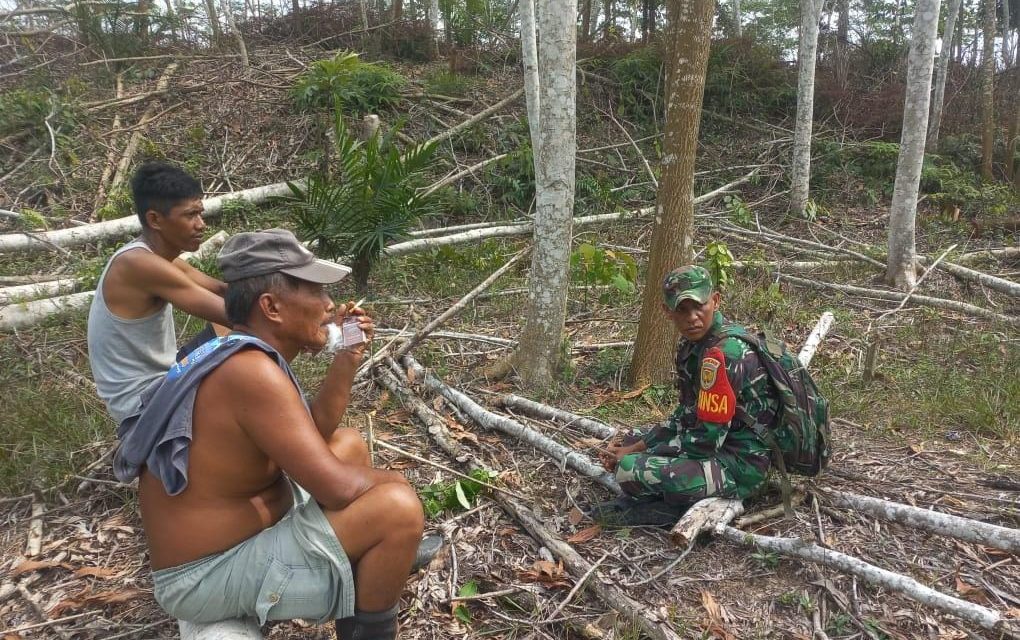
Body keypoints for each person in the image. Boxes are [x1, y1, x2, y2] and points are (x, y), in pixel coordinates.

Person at [114, 229, 427, 640]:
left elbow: (312, 437)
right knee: (398, 508)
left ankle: (369, 572)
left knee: (347, 445)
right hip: (202, 576)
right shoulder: (250, 371)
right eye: (315, 291)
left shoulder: (236, 350)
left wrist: (347, 356)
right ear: (272, 306)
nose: (329, 305)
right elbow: (335, 490)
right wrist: (397, 490)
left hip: (234, 540)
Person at [595, 265, 779, 526]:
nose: (692, 317)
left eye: (699, 307)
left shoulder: (724, 354)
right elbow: (687, 413)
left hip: (740, 466)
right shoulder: (694, 345)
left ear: (715, 301)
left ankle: (671, 510)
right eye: (682, 310)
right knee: (633, 440)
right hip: (722, 447)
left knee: (628, 471)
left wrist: (638, 457)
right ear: (667, 312)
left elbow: (704, 441)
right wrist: (637, 446)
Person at [87, 161, 230, 425]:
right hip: (143, 402)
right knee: (247, 340)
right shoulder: (139, 265)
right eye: (190, 215)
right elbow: (232, 313)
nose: (201, 225)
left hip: (166, 375)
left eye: (201, 213)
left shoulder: (157, 257)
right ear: (155, 219)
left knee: (232, 332)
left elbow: (222, 290)